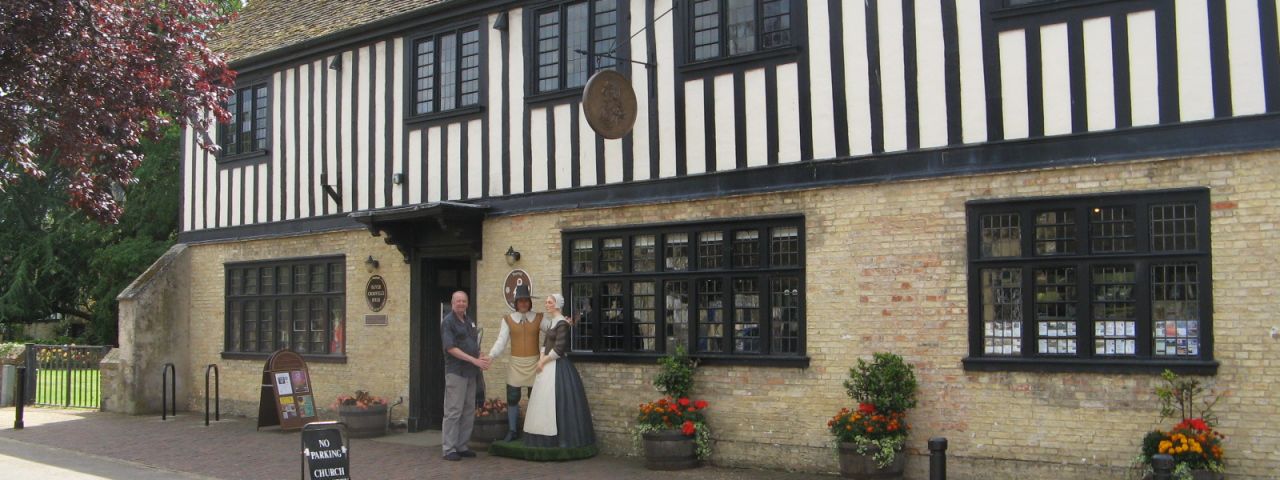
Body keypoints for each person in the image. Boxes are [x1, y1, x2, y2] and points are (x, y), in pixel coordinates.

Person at [523, 294, 595, 449]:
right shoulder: (551, 323)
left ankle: (561, 439)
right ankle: (541, 438)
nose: (547, 304)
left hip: (557, 366)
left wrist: (543, 361)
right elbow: (546, 343)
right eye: (546, 302)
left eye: (549, 302)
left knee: (559, 402)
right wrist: (541, 358)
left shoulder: (562, 323)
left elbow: (559, 348)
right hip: (546, 365)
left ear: (557, 305)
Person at [487, 284, 547, 442]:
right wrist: (491, 355)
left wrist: (563, 322)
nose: (523, 303)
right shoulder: (508, 319)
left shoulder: (539, 318)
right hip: (516, 364)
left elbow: (553, 329)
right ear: (516, 302)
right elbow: (501, 341)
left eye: (526, 300)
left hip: (534, 363)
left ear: (530, 302)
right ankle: (513, 431)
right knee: (513, 397)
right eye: (520, 301)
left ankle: (534, 431)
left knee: (535, 397)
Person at [440, 291, 490, 461]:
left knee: (468, 410)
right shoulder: (448, 322)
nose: (461, 303)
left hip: (471, 373)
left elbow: (474, 345)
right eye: (458, 301)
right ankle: (449, 449)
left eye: (464, 301)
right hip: (456, 372)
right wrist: (474, 361)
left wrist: (481, 356)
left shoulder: (469, 321)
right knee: (454, 411)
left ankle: (461, 446)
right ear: (452, 303)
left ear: (467, 303)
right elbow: (450, 348)